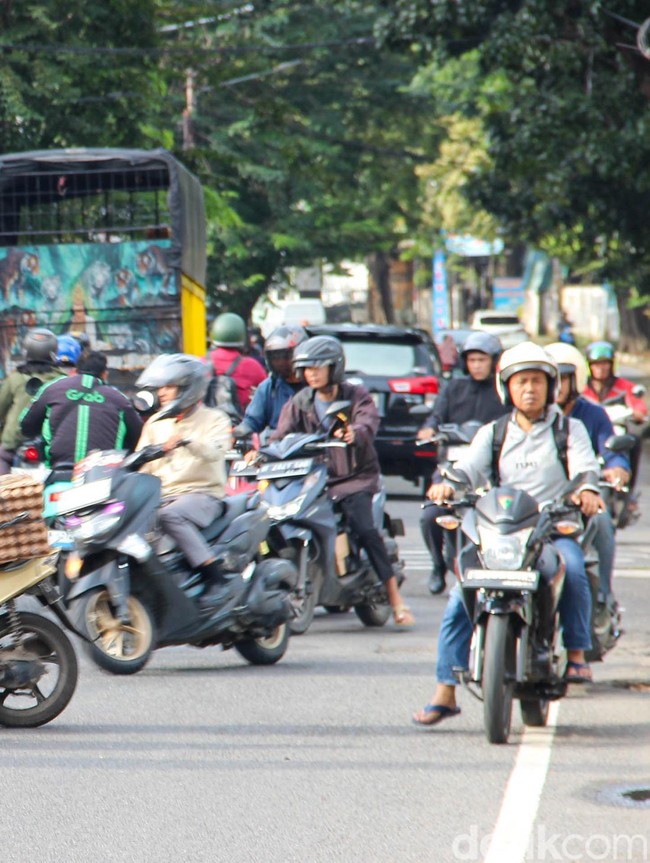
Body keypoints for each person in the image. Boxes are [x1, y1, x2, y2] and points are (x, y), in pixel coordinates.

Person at [413, 342, 603, 726]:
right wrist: (447, 484)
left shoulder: (571, 429)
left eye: (536, 381)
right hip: (501, 532)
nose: (529, 389)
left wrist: (586, 490)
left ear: (551, 387)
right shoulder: (493, 432)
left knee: (575, 568)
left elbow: (585, 469)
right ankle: (446, 690)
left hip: (550, 528)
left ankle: (578, 655)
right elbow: (465, 468)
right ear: (507, 389)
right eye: (521, 383)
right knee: (460, 593)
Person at [272, 335, 414, 627]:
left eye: (317, 367)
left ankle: (396, 600)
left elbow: (367, 422)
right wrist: (261, 451)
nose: (310, 373)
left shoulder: (355, 395)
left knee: (364, 528)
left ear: (334, 368)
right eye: (306, 368)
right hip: (315, 478)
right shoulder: (300, 402)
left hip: (354, 478)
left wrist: (354, 433)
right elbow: (280, 436)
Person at [135, 353, 232, 602]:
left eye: (169, 386)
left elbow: (214, 452)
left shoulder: (215, 420)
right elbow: (141, 463)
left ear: (188, 387)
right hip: (161, 497)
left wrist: (186, 441)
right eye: (160, 387)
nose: (162, 393)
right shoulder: (155, 423)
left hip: (202, 495)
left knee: (170, 515)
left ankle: (214, 575)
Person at [418, 332, 508, 594]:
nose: (477, 365)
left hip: (490, 470)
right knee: (429, 515)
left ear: (494, 361)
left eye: (482, 359)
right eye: (472, 360)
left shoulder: (502, 392)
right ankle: (437, 566)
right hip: (451, 467)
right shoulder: (454, 388)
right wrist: (428, 429)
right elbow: (435, 416)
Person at [546, 342, 629, 606]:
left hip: (583, 494)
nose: (557, 386)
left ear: (577, 380)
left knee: (602, 522)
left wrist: (616, 468)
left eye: (564, 379)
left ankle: (603, 592)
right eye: (551, 379)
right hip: (543, 499)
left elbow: (610, 449)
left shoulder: (591, 415)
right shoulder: (533, 418)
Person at [20, 350, 142, 468]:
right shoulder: (119, 399)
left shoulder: (52, 389)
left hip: (59, 473)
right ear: (105, 374)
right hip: (103, 477)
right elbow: (139, 438)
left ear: (75, 370)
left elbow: (26, 426)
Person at [583, 340, 648, 491]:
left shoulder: (623, 386)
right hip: (592, 431)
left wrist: (638, 413)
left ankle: (629, 490)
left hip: (616, 431)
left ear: (612, 365)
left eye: (605, 363)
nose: (601, 368)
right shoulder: (582, 388)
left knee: (634, 441)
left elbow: (638, 405)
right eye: (596, 364)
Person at [0, 328, 65, 475]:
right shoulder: (62, 380)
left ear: (26, 351)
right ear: (54, 352)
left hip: (14, 444)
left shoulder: (15, 378)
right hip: (52, 445)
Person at [233, 325, 308, 439]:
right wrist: (239, 433)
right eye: (275, 358)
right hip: (277, 449)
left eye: (286, 356)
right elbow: (252, 421)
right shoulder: (267, 387)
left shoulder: (317, 385)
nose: (280, 362)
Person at [209, 313, 267, 412]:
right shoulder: (251, 365)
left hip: (206, 423)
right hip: (239, 424)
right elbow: (268, 391)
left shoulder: (202, 362)